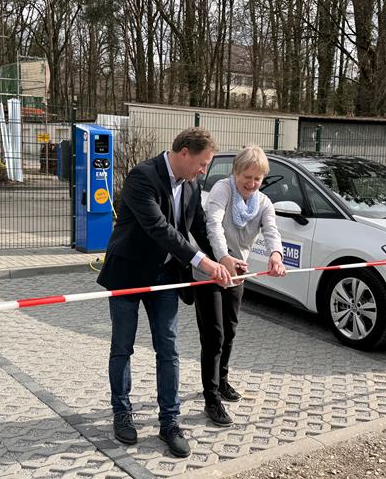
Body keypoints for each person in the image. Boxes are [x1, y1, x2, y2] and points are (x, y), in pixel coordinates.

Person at [96, 127, 232, 458]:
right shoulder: (142, 176)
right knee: (122, 347)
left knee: (169, 349)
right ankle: (122, 412)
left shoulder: (192, 183)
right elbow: (160, 229)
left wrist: (222, 257)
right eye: (202, 163)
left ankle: (169, 423)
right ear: (184, 153)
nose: (204, 171)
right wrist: (204, 264)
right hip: (128, 273)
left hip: (166, 276)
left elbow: (197, 225)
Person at [193, 146, 286, 427]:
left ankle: (222, 381)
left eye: (257, 179)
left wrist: (276, 255)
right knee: (214, 335)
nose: (251, 183)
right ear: (235, 173)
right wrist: (222, 258)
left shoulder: (264, 202)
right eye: (247, 176)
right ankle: (211, 398)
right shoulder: (223, 189)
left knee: (230, 330)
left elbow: (272, 231)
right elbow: (214, 226)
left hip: (236, 273)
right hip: (209, 270)